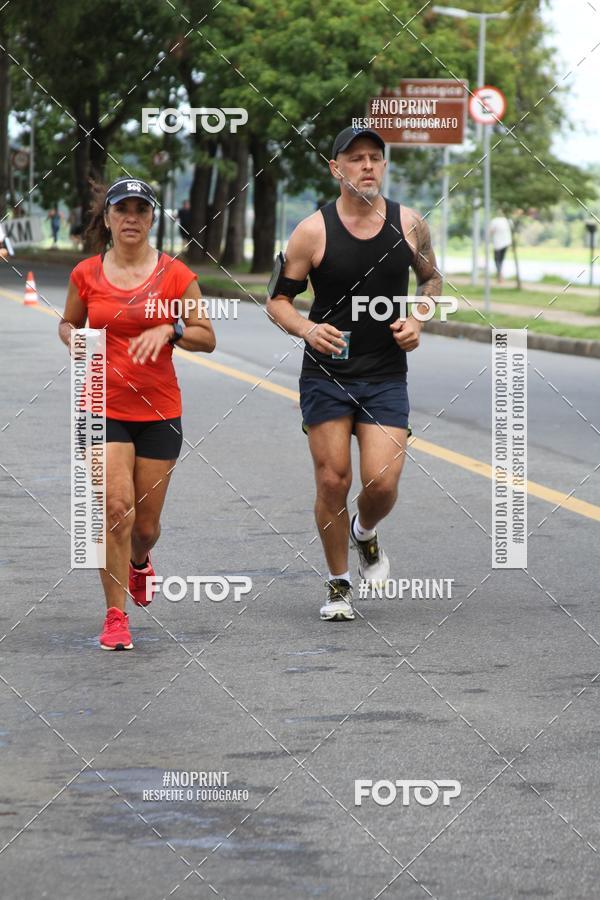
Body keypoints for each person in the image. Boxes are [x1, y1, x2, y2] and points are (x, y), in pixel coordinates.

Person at [266, 126, 441, 622]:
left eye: (375, 157)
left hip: (385, 373)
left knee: (382, 483)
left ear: (384, 166)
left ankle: (364, 531)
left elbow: (431, 278)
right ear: (335, 167)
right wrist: (306, 328)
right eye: (356, 157)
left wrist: (418, 318)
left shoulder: (409, 224)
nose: (367, 165)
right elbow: (278, 300)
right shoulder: (312, 231)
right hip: (327, 373)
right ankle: (339, 582)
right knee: (331, 479)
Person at [59, 177, 216, 649]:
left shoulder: (175, 275)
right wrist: (73, 339)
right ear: (106, 218)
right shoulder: (86, 273)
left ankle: (140, 561)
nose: (131, 217)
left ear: (152, 219)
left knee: (144, 528)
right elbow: (69, 322)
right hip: (100, 405)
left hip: (160, 412)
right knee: (115, 510)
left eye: (140, 210)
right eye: (121, 209)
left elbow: (206, 336)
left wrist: (171, 330)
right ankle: (114, 616)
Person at [489, 214, 512, 284]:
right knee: (501, 260)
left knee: (497, 260)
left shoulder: (495, 220)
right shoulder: (508, 220)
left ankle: (499, 276)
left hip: (498, 244)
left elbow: (491, 231)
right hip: (507, 243)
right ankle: (500, 276)